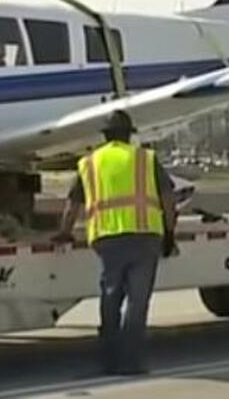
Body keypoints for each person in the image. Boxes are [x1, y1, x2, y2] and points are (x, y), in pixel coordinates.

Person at [52, 110, 177, 374]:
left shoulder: (90, 163)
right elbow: (168, 197)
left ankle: (109, 359)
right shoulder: (145, 159)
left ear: (106, 136)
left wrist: (65, 232)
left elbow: (72, 203)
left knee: (111, 296)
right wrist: (169, 233)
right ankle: (131, 362)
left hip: (107, 239)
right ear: (129, 135)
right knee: (137, 301)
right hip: (145, 237)